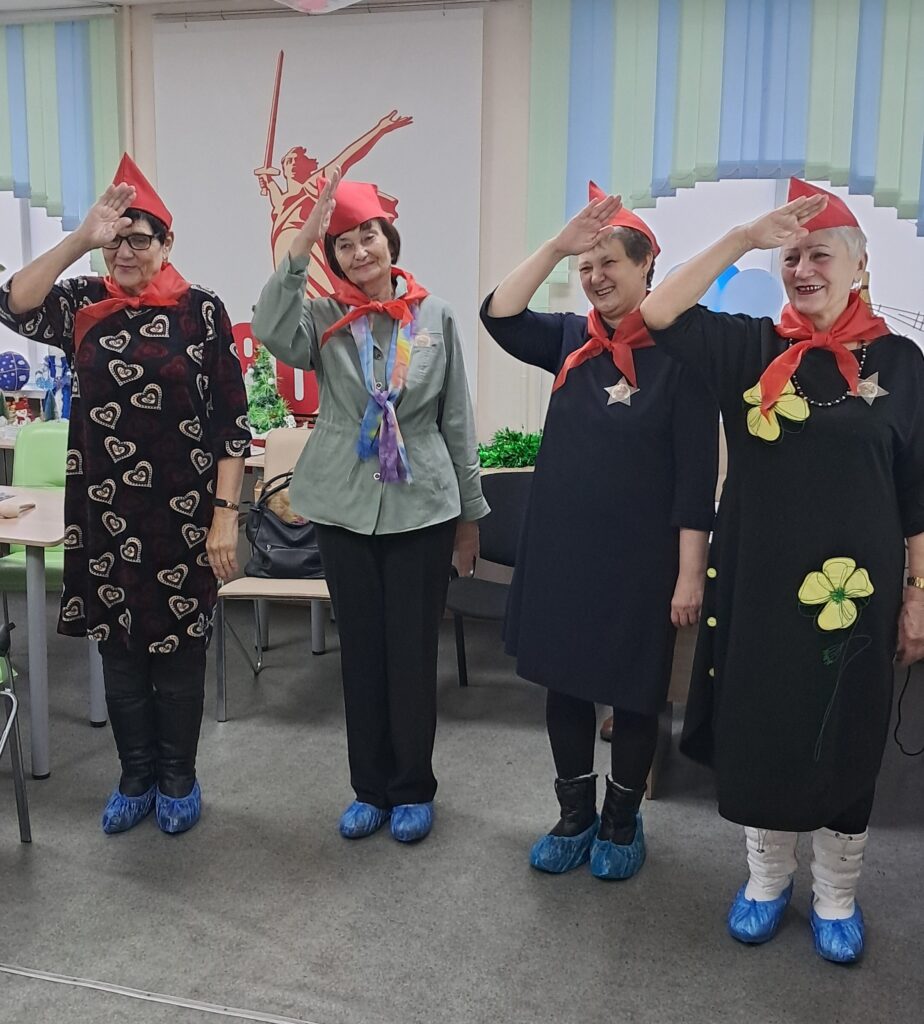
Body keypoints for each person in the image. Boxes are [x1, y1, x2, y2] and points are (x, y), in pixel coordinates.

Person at [640, 178, 924, 962]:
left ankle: (836, 894)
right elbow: (658, 313)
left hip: (855, 598)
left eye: (820, 254)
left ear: (859, 266)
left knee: (846, 731)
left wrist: (917, 593)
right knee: (765, 729)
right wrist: (743, 237)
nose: (803, 269)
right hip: (760, 588)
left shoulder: (901, 363)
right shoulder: (750, 349)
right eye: (791, 256)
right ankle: (767, 880)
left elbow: (917, 495)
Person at [0, 154, 251, 835]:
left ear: (168, 243)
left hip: (184, 514)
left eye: (139, 239)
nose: (126, 253)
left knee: (179, 653)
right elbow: (15, 301)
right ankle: (135, 775)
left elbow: (232, 423)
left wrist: (224, 516)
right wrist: (81, 237)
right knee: (119, 651)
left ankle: (178, 777)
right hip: (105, 513)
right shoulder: (83, 304)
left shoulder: (201, 311)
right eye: (115, 241)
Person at [480, 183, 717, 879]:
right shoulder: (568, 339)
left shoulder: (683, 355)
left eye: (610, 262)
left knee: (635, 692)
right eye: (586, 267)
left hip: (641, 560)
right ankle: (575, 816)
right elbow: (499, 314)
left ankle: (621, 822)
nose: (596, 277)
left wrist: (689, 574)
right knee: (565, 685)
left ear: (647, 266)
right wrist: (558, 245)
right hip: (562, 553)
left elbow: (696, 477)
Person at [252, 170, 487, 843]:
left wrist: (469, 516)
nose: (360, 252)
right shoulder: (322, 319)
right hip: (344, 505)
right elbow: (270, 328)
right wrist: (299, 247)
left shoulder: (435, 315)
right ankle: (369, 789)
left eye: (369, 237)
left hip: (423, 504)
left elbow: (456, 418)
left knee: (412, 651)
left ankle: (412, 788)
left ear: (390, 241)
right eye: (345, 244)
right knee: (360, 651)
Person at [254, 111, 412, 291]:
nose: (293, 163)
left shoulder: (314, 185)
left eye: (298, 159)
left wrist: (379, 129)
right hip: (288, 259)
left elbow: (347, 158)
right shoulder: (283, 201)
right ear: (283, 169)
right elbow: (278, 199)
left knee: (322, 298)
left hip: (312, 258)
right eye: (289, 161)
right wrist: (268, 181)